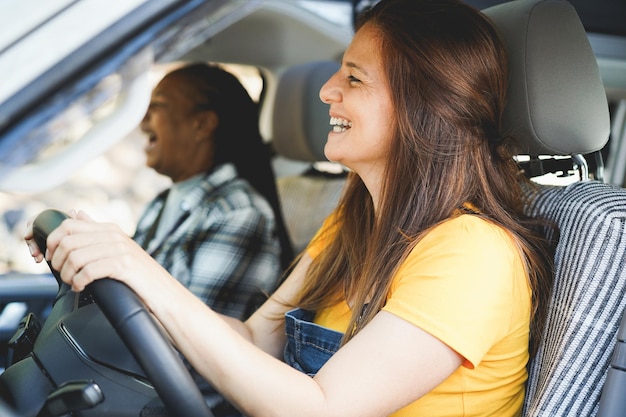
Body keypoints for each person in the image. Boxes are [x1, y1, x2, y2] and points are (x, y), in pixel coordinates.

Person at [26, 0, 555, 415]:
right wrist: (110, 261)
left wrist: (135, 264)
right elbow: (255, 337)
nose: (327, 91)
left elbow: (320, 409)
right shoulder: (356, 226)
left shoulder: (474, 255)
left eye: (354, 78)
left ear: (425, 107)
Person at [134, 63, 293, 320]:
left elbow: (193, 341)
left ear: (202, 124)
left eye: (157, 106)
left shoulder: (238, 213)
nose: (143, 121)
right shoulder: (162, 203)